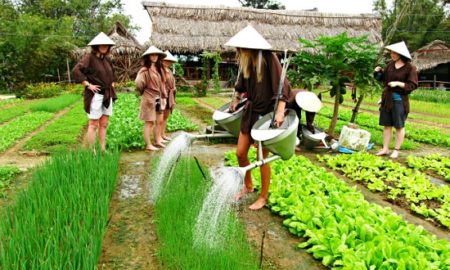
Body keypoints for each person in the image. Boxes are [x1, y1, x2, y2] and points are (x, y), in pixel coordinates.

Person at [226, 25, 290, 210]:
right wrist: (236, 99)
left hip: (266, 113)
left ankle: (263, 196)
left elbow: (282, 85)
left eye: (241, 48)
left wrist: (279, 111)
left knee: (262, 156)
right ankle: (248, 185)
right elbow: (240, 86)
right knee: (240, 153)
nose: (239, 52)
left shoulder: (269, 58)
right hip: (250, 111)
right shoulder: (246, 63)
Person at [73, 32, 117, 152]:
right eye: (101, 44)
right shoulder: (89, 58)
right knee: (93, 124)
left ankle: (102, 149)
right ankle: (92, 151)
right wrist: (88, 85)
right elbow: (77, 70)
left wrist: (112, 83)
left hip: (107, 94)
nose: (104, 46)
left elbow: (112, 73)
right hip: (95, 95)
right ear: (96, 46)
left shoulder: (107, 59)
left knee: (104, 124)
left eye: (106, 45)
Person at [374, 41, 418, 159]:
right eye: (391, 52)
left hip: (399, 100)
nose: (392, 54)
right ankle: (385, 148)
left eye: (394, 52)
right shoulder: (390, 65)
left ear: (400, 54)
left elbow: (412, 85)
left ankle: (396, 150)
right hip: (387, 99)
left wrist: (398, 83)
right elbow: (384, 79)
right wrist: (378, 72)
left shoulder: (410, 68)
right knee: (387, 125)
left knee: (399, 126)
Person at [135, 46, 167, 151]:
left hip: (158, 97)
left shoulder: (159, 69)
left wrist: (163, 96)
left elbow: (162, 83)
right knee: (149, 122)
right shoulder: (144, 70)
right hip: (149, 97)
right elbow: (138, 83)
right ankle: (148, 144)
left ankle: (157, 140)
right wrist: (144, 91)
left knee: (159, 119)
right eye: (152, 55)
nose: (154, 57)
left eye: (156, 55)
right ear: (148, 57)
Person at [161, 50, 178, 141]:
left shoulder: (169, 71)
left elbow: (173, 82)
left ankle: (163, 134)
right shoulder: (160, 71)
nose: (167, 62)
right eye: (165, 60)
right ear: (162, 60)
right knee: (161, 116)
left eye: (168, 61)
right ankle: (159, 136)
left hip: (170, 94)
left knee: (166, 116)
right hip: (163, 94)